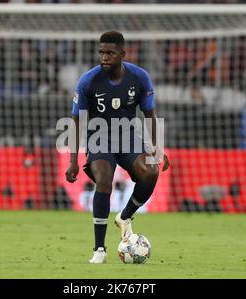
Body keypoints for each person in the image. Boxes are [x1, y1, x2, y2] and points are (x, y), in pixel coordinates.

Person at [65, 31, 170, 264]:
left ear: (122, 54)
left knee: (151, 171)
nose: (104, 57)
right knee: (104, 179)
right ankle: (99, 250)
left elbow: (150, 114)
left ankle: (124, 217)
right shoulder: (88, 81)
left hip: (128, 136)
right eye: (101, 52)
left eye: (110, 53)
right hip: (99, 137)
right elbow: (75, 121)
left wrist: (157, 147)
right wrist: (73, 160)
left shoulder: (139, 77)